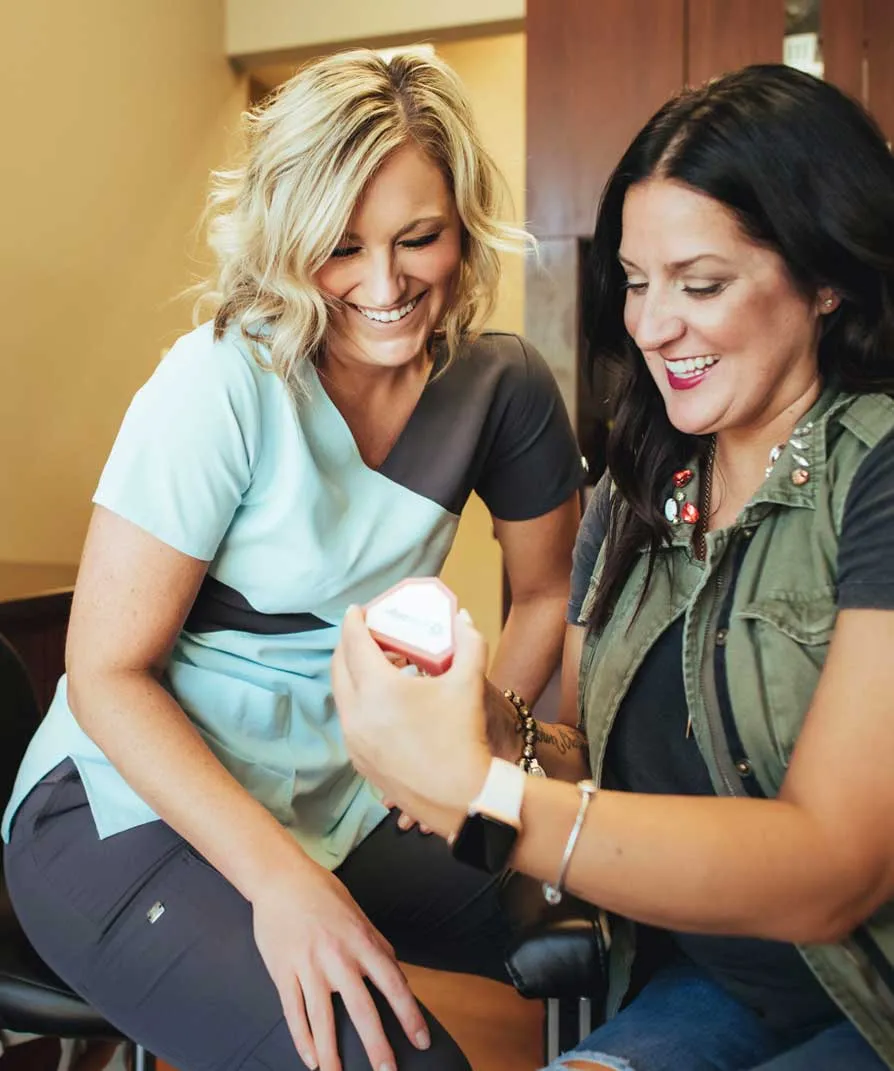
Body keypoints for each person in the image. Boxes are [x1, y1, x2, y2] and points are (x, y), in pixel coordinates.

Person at [1, 48, 584, 1071]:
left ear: (463, 224)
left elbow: (546, 595)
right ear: (286, 240)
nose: (384, 284)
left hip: (352, 794)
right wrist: (281, 883)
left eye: (419, 238)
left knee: (623, 917)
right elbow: (103, 673)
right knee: (397, 1061)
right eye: (339, 247)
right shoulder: (221, 382)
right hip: (125, 809)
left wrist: (479, 751)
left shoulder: (504, 389)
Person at [332, 64, 894, 1071]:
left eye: (701, 283)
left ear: (827, 278)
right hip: (716, 985)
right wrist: (483, 724)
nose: (651, 324)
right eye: (635, 282)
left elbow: (832, 872)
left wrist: (482, 799)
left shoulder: (880, 473)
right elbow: (587, 763)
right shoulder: (641, 487)